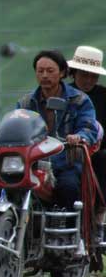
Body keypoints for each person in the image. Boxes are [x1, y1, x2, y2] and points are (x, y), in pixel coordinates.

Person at [18, 49, 98, 210]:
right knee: (6, 185)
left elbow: (90, 128)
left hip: (65, 163)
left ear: (62, 72)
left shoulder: (79, 100)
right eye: (40, 71)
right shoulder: (26, 103)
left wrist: (79, 136)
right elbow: (16, 126)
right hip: (32, 163)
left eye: (50, 71)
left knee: (68, 187)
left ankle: (65, 232)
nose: (45, 75)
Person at [67, 45, 106, 239]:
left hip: (96, 151)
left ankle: (99, 216)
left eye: (93, 76)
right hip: (63, 148)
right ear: (74, 73)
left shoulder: (104, 96)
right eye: (84, 75)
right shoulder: (62, 93)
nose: (89, 80)